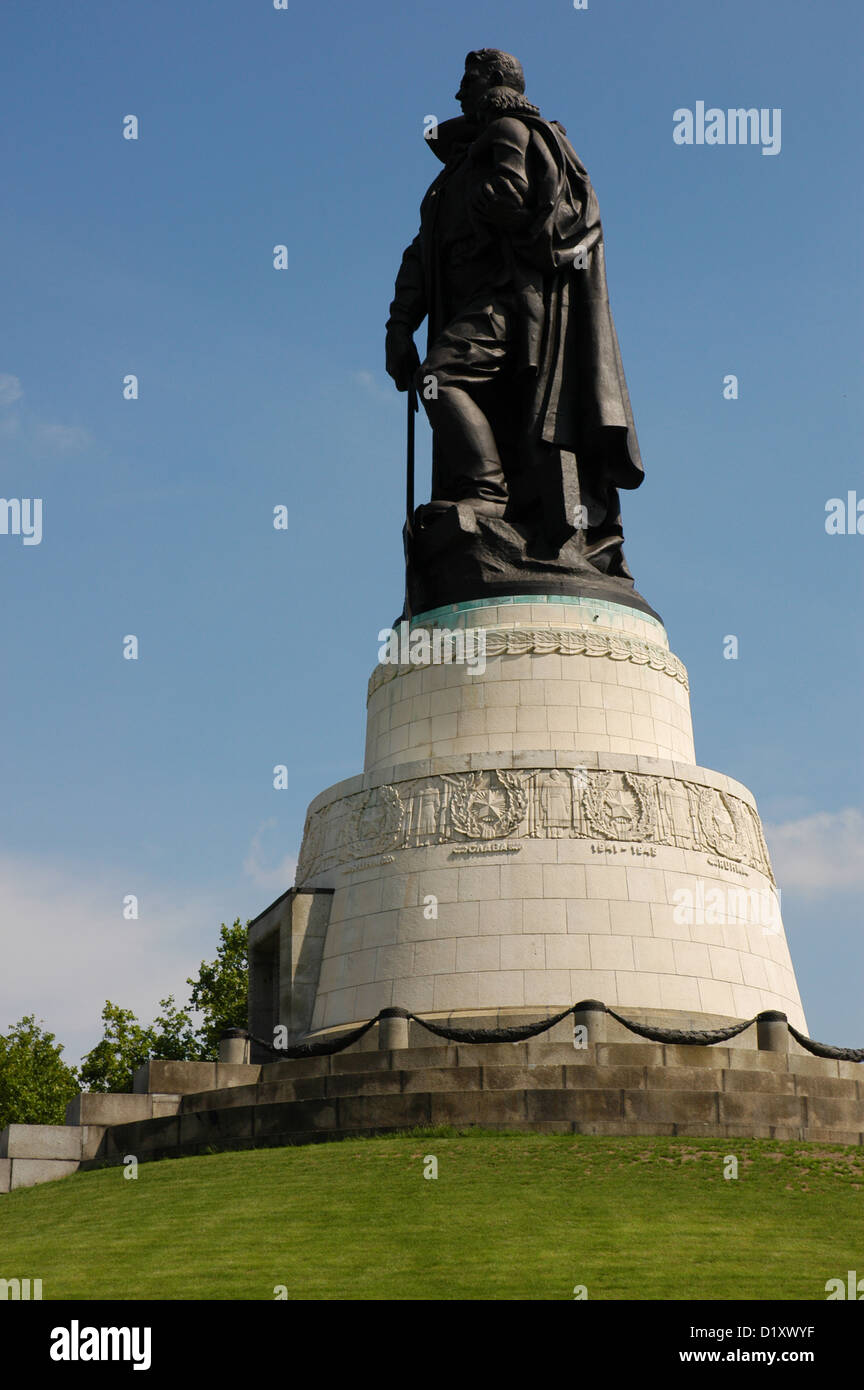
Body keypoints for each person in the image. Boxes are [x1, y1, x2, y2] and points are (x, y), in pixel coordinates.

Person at [386, 48, 644, 574]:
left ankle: (486, 491)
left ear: (496, 83)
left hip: (509, 300)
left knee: (439, 376)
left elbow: (521, 202)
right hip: (467, 303)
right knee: (455, 387)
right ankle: (489, 497)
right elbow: (420, 254)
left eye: (469, 81)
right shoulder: (453, 172)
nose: (458, 94)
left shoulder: (508, 131)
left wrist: (491, 201)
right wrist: (399, 324)